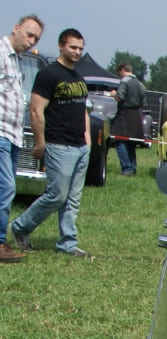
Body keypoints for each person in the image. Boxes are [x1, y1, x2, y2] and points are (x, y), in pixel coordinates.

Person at [9, 26, 91, 258]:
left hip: (80, 146)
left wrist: (87, 140)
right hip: (59, 144)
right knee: (56, 195)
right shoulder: (48, 75)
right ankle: (21, 226)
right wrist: (40, 143)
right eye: (73, 47)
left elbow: (83, 109)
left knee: (72, 200)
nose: (77, 52)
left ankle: (68, 243)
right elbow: (36, 111)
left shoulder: (79, 78)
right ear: (61, 46)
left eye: (80, 49)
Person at [0, 13, 43, 263]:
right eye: (29, 34)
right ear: (15, 28)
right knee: (6, 188)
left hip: (14, 135)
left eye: (36, 38)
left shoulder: (17, 60)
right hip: (1, 133)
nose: (31, 41)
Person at [110, 59, 143, 176]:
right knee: (131, 143)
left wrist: (113, 94)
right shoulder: (140, 83)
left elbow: (120, 97)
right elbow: (144, 102)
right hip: (136, 115)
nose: (120, 75)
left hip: (124, 114)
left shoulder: (125, 81)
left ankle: (126, 168)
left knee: (119, 141)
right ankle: (133, 169)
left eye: (119, 73)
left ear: (123, 70)